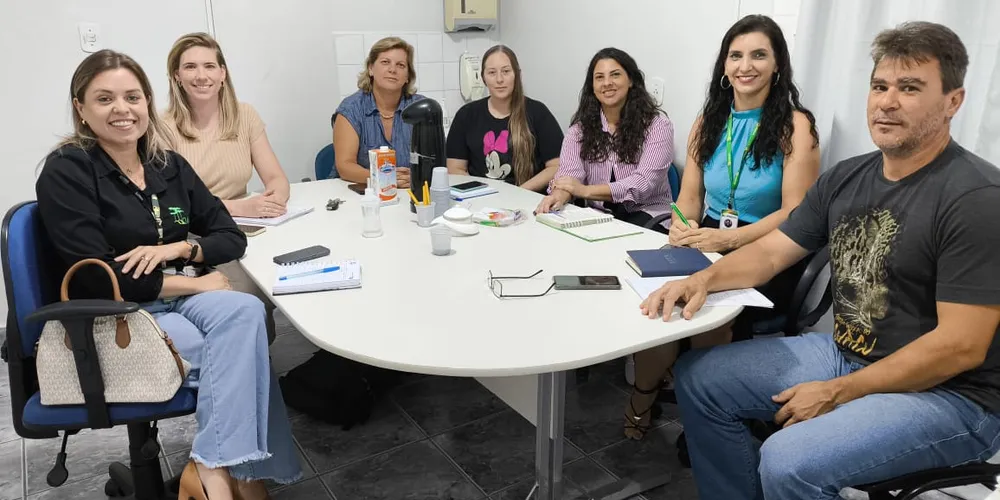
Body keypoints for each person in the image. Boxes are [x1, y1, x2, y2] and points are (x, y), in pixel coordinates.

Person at [647, 22, 1000, 500]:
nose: (887, 101)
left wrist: (838, 391)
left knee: (788, 459)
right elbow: (773, 251)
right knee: (700, 377)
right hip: (848, 353)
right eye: (879, 86)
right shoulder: (847, 178)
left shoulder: (977, 198)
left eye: (910, 88)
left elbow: (961, 347)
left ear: (953, 101)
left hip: (952, 395)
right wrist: (705, 279)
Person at [36, 50, 301, 500]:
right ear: (81, 108)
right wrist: (195, 280)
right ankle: (239, 477)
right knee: (243, 348)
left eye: (132, 97)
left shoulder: (166, 164)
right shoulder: (68, 170)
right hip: (121, 311)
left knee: (245, 312)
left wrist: (183, 247)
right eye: (105, 99)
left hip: (177, 295)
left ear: (147, 101)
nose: (122, 109)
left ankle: (209, 468)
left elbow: (228, 236)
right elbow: (101, 277)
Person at [622, 15, 821, 440]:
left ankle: (705, 421)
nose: (745, 65)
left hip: (769, 248)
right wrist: (681, 226)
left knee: (707, 313)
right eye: (736, 55)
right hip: (709, 234)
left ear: (777, 65)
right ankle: (643, 398)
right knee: (655, 298)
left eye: (758, 55)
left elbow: (795, 211)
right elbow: (689, 198)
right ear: (724, 66)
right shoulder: (708, 122)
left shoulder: (795, 125)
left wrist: (727, 238)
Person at [164, 32, 289, 342]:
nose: (201, 75)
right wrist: (235, 207)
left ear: (222, 74)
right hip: (202, 232)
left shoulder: (244, 115)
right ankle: (256, 365)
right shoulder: (162, 126)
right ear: (177, 76)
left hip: (252, 224)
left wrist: (276, 197)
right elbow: (172, 205)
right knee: (248, 294)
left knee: (298, 274)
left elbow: (276, 177)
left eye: (209, 66)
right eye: (190, 67)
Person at [536, 47, 674, 232]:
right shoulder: (579, 130)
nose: (607, 83)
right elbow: (569, 174)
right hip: (597, 217)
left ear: (631, 80)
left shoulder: (658, 126)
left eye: (615, 75)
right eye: (599, 77)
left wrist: (585, 191)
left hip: (647, 215)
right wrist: (559, 195)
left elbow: (643, 184)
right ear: (592, 87)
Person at [446, 45, 563, 192]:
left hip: (527, 200)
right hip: (481, 202)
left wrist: (518, 192)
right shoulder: (466, 115)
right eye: (492, 73)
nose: (499, 79)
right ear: (483, 78)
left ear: (517, 74)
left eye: (506, 71)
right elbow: (455, 168)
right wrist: (483, 193)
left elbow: (556, 166)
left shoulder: (538, 113)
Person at [334, 36, 425, 188]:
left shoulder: (422, 109)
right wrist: (386, 178)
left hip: (412, 192)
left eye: (401, 65)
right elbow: (345, 166)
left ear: (408, 76)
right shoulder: (351, 108)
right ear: (370, 68)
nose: (392, 70)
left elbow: (436, 160)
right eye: (385, 62)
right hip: (363, 194)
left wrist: (419, 176)